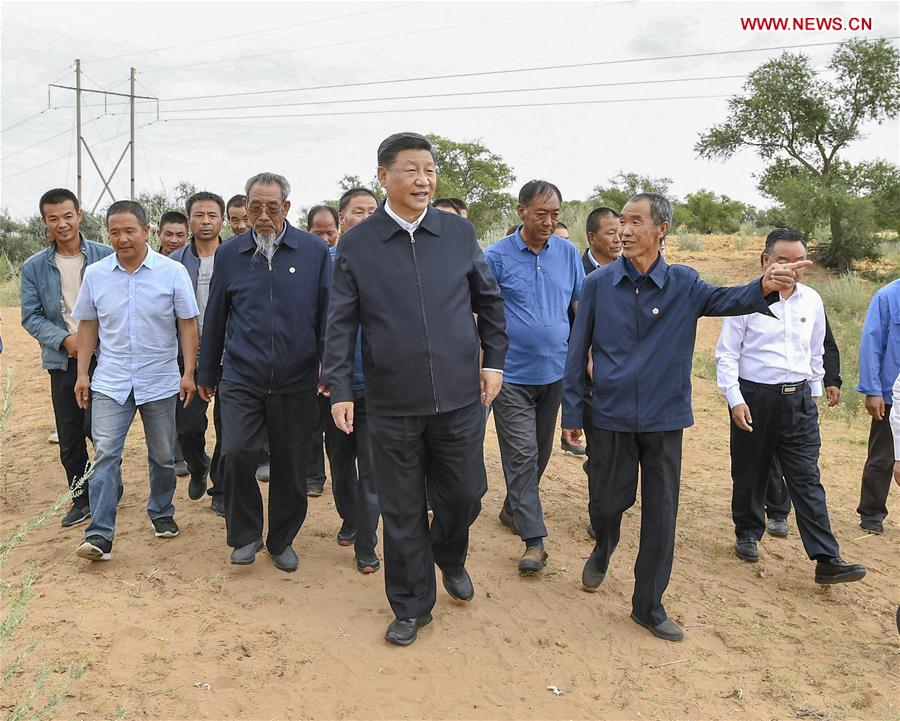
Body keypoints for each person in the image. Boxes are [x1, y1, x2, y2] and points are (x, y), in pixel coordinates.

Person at [562, 192, 812, 642]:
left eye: (636, 221)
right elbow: (577, 349)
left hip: (663, 418)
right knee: (606, 502)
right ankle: (605, 541)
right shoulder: (598, 284)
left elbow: (730, 298)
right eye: (622, 220)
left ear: (662, 230)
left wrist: (767, 285)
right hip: (610, 415)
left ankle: (648, 605)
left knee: (661, 515)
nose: (625, 229)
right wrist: (574, 409)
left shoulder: (684, 283)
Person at [324, 132, 507, 646]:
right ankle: (410, 605)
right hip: (391, 402)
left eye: (429, 169)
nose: (423, 179)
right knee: (401, 509)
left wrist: (493, 362)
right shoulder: (358, 244)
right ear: (383, 176)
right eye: (411, 169)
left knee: (466, 494)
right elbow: (340, 323)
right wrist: (340, 387)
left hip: (459, 398)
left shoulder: (455, 234)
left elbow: (489, 303)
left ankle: (449, 555)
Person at [715, 228, 865, 585]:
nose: (792, 267)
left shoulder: (812, 300)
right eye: (783, 259)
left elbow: (815, 351)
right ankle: (748, 532)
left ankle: (827, 557)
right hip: (755, 398)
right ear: (765, 261)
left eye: (799, 260)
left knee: (807, 479)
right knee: (751, 470)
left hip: (798, 401)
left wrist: (812, 394)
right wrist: (735, 399)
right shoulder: (744, 300)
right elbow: (727, 354)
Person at [197, 172, 330, 573]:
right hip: (241, 375)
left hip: (297, 377)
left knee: (291, 463)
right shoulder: (230, 253)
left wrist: (328, 367)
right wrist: (207, 371)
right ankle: (246, 534)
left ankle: (281, 539)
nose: (264, 215)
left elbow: (326, 315)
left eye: (272, 207)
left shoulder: (312, 251)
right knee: (236, 453)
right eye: (255, 207)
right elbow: (217, 313)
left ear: (287, 208)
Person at [72, 200, 199, 561]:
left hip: (159, 380)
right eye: (115, 232)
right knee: (106, 454)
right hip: (110, 381)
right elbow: (88, 325)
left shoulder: (171, 272)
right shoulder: (96, 274)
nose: (122, 238)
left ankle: (161, 512)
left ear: (146, 232)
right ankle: (99, 535)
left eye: (129, 231)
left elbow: (187, 323)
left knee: (161, 456)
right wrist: (83, 373)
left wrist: (188, 372)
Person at [484, 180, 584, 574]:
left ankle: (513, 509)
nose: (548, 221)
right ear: (521, 211)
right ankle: (534, 540)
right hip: (511, 375)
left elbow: (580, 304)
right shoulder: (496, 257)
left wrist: (587, 353)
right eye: (540, 213)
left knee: (539, 454)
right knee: (522, 455)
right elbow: (482, 314)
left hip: (555, 371)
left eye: (555, 214)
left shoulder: (567, 253)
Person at [20, 188, 115, 527]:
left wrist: (95, 339)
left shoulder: (106, 256)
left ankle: (109, 484)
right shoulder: (33, 267)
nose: (62, 224)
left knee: (99, 428)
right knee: (70, 435)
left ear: (80, 215)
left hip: (105, 356)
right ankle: (81, 498)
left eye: (67, 216)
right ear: (45, 223)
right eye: (53, 219)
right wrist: (64, 339)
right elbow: (30, 316)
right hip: (63, 361)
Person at [170, 191, 226, 516]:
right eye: (199, 215)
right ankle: (198, 464)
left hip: (230, 357)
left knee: (230, 428)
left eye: (212, 215)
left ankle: (221, 487)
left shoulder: (236, 256)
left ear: (223, 220)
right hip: (187, 359)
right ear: (189, 219)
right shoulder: (174, 262)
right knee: (188, 427)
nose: (205, 221)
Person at [764, 313, 842, 537]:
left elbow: (825, 343)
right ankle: (777, 511)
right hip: (765, 390)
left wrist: (832, 379)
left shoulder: (810, 300)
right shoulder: (755, 298)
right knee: (770, 455)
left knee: (801, 459)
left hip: (804, 391)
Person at [563, 206, 623, 461]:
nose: (619, 239)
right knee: (598, 446)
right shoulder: (574, 269)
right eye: (611, 233)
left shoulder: (630, 270)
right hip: (583, 373)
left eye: (621, 232)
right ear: (592, 238)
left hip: (618, 372)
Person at [857, 278, 900, 534]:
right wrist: (873, 390)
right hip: (891, 392)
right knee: (882, 457)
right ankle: (872, 513)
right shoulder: (887, 297)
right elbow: (871, 345)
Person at [157, 210, 192, 477]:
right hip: (163, 348)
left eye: (180, 235)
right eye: (168, 234)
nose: (174, 240)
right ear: (158, 234)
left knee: (191, 409)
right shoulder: (148, 264)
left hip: (191, 345)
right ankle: (176, 455)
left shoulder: (190, 262)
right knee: (171, 405)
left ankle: (194, 455)